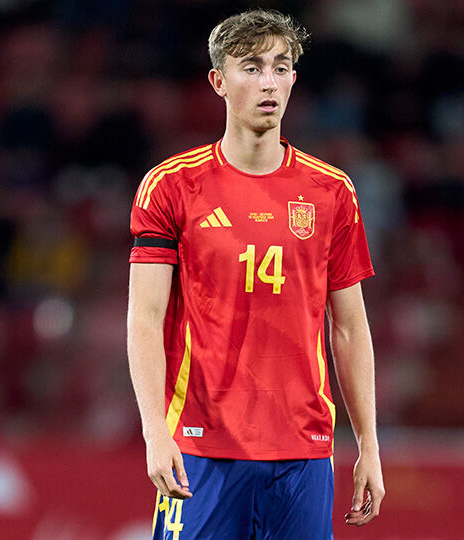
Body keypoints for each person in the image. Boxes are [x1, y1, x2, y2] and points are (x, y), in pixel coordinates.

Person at [126, 9, 384, 539]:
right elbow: (145, 319)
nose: (269, 81)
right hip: (201, 448)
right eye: (251, 67)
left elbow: (351, 328)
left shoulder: (331, 193)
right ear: (219, 81)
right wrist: (155, 431)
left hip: (304, 453)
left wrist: (369, 446)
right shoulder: (172, 187)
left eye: (280, 66)